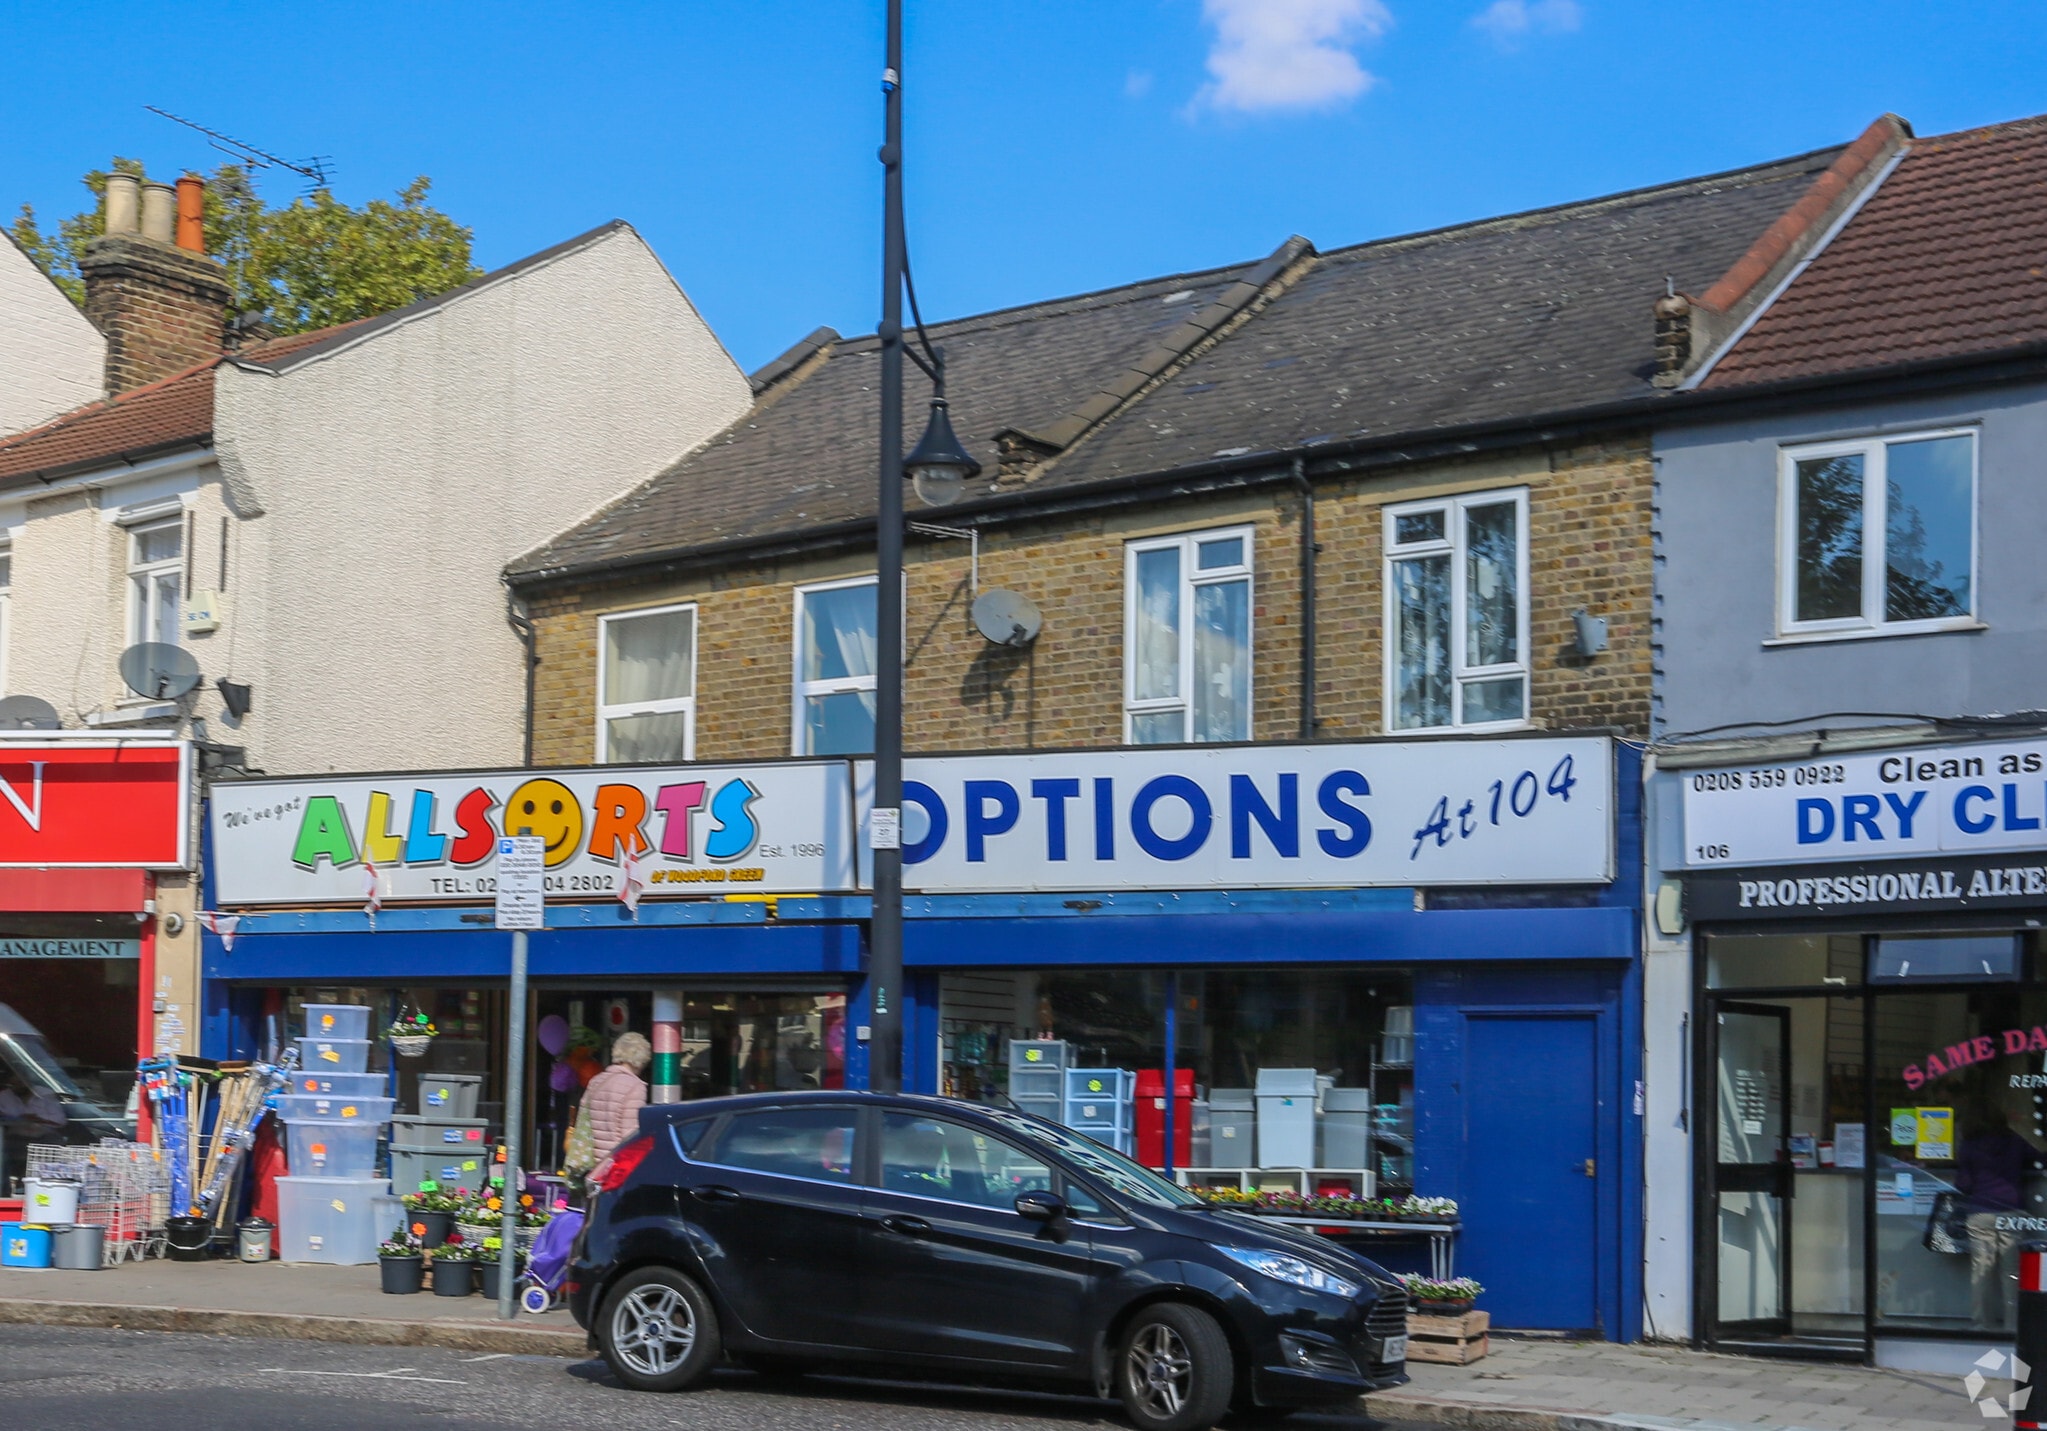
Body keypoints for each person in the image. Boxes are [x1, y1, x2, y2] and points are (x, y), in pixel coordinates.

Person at [1956, 1101, 2046, 1330]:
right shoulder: (2013, 1141)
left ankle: (1981, 1326)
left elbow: (1963, 1185)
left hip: (1980, 1213)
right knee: (2011, 1274)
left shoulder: (1969, 1145)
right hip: (2011, 1213)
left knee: (1982, 1272)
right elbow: (2040, 1161)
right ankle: (2012, 1327)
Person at [583, 1032, 651, 1186]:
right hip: (615, 1169)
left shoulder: (597, 1081)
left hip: (592, 1165)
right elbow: (631, 1134)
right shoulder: (635, 1087)